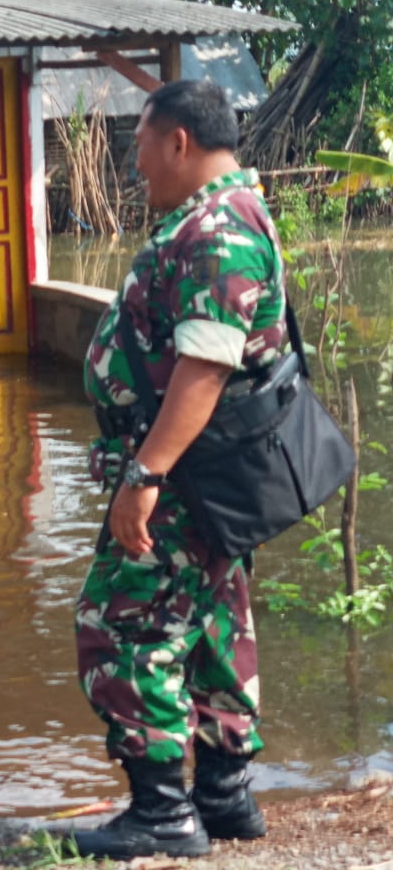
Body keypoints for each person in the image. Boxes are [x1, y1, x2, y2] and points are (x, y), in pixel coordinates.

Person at [72, 79, 285, 860]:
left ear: (179, 143)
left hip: (182, 477)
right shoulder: (228, 213)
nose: (136, 164)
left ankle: (162, 811)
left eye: (139, 146)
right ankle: (223, 796)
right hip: (207, 475)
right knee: (214, 624)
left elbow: (205, 364)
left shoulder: (216, 228)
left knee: (120, 625)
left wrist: (145, 474)